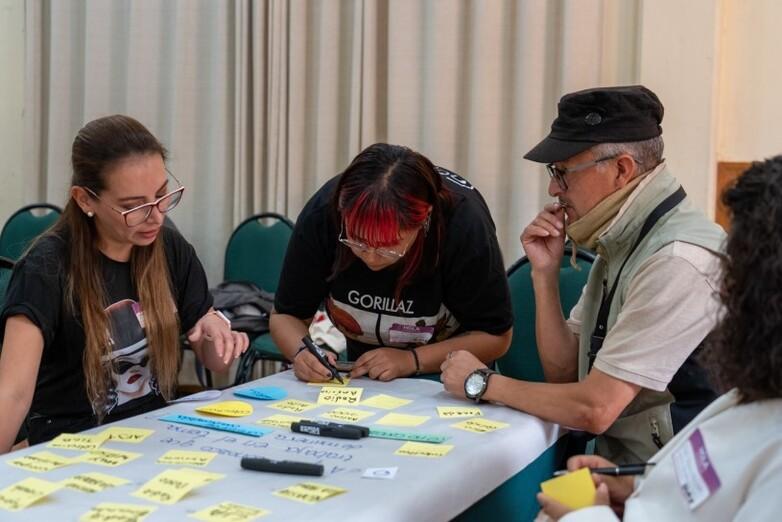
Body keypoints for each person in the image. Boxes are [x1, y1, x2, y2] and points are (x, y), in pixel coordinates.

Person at [441, 85, 726, 463]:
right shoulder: (624, 234)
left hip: (680, 484)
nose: (553, 188)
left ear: (621, 169)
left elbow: (595, 408)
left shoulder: (676, 259)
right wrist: (545, 275)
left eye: (562, 172)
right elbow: (565, 374)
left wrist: (483, 383)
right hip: (633, 466)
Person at [538, 156, 782, 521]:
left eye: (741, 270)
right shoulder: (756, 393)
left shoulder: (678, 258)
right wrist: (638, 488)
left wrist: (590, 515)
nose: (726, 291)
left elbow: (593, 407)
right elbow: (710, 489)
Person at [0, 115, 249, 452]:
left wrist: (217, 335)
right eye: (135, 207)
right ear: (85, 200)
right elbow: (12, 393)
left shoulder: (170, 249)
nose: (157, 216)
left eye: (162, 195)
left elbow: (215, 362)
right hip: (73, 447)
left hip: (154, 438)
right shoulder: (46, 268)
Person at [271, 143, 513, 382]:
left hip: (450, 376)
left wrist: (411, 360)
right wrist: (302, 353)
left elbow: (495, 337)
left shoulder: (463, 224)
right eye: (358, 240)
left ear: (424, 220)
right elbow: (286, 315)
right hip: (366, 370)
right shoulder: (323, 213)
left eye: (389, 246)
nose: (371, 257)